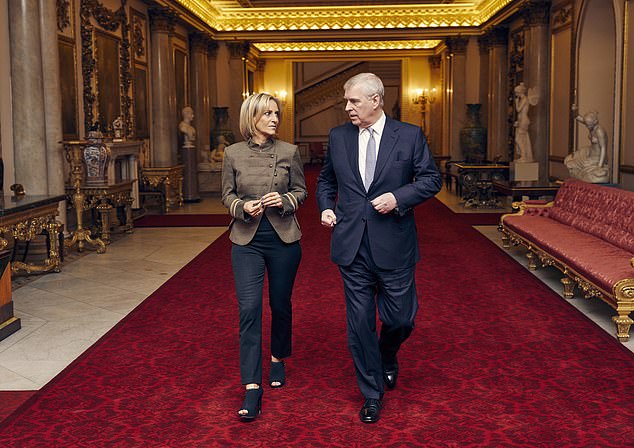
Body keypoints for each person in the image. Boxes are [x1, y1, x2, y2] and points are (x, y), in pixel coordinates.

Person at [316, 73, 442, 423]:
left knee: (401, 319)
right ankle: (371, 393)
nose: (347, 108)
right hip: (351, 245)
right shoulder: (338, 136)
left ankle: (388, 354)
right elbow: (327, 179)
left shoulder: (409, 135)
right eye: (346, 101)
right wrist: (326, 205)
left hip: (394, 244)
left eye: (353, 101)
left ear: (376, 100)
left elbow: (431, 179)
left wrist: (398, 197)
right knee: (359, 324)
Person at [221, 92, 307, 422]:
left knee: (281, 304)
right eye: (267, 113)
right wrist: (240, 207)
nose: (274, 118)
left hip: (285, 240)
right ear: (252, 117)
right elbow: (226, 194)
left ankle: (278, 357)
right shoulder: (232, 153)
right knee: (249, 308)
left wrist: (284, 199)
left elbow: (301, 191)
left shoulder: (289, 152)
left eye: (276, 113)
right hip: (247, 241)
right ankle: (252, 385)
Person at [564, 109, 609, 183]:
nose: (587, 126)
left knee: (577, 166)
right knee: (569, 161)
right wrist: (574, 111)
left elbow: (603, 149)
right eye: (587, 124)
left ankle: (591, 172)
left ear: (595, 122)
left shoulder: (599, 131)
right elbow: (578, 117)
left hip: (597, 158)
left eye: (588, 125)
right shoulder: (591, 126)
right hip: (588, 153)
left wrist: (599, 166)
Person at [513, 82, 538, 163]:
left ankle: (524, 156)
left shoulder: (525, 99)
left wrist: (516, 102)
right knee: (521, 138)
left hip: (524, 120)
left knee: (519, 139)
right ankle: (524, 155)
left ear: (520, 92)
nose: (516, 94)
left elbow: (518, 109)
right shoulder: (522, 99)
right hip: (521, 120)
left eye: (517, 92)